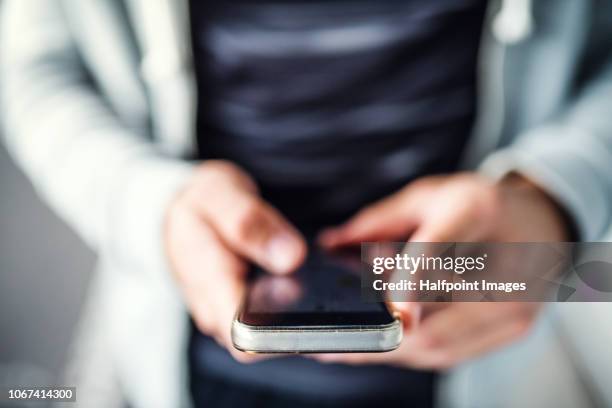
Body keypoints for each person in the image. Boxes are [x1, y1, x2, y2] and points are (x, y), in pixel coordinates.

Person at [2, 0, 612, 407]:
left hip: (487, 368)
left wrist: (555, 203)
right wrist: (146, 203)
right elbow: (30, 65)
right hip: (166, 360)